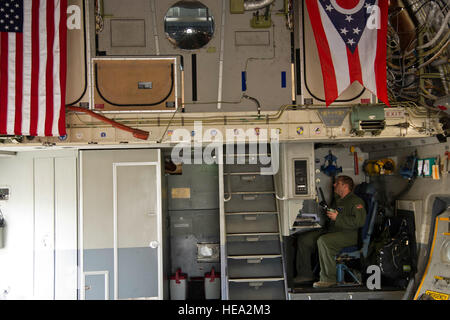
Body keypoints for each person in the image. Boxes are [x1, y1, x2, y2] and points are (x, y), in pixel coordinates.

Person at [294, 175, 367, 288]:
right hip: (333, 230)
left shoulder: (356, 201)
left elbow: (359, 222)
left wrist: (338, 218)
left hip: (349, 234)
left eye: (337, 183)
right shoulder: (338, 200)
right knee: (304, 240)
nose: (334, 185)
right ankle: (305, 274)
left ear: (345, 186)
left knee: (324, 241)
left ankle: (328, 279)